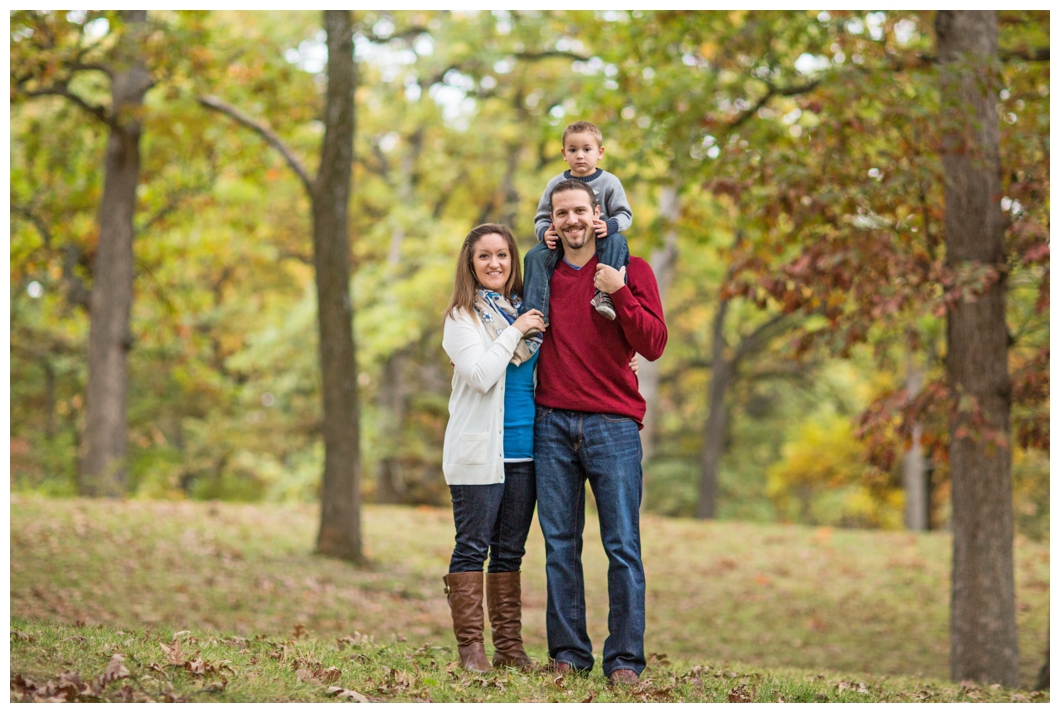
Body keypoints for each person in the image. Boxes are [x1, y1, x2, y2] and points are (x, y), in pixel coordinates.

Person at [531, 179, 667, 686]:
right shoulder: (540, 276)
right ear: (552, 219)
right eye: (560, 212)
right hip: (552, 425)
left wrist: (620, 293)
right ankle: (568, 655)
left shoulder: (633, 270)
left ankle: (625, 662)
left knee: (622, 546)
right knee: (560, 545)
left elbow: (653, 344)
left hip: (614, 426)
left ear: (596, 215)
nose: (570, 220)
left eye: (578, 211)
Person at [440, 223, 546, 672]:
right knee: (472, 548)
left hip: (525, 450)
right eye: (484, 256)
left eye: (502, 255)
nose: (495, 263)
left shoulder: (523, 311)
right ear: (470, 263)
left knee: (510, 553)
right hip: (478, 453)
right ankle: (471, 652)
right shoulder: (461, 318)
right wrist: (514, 331)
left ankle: (509, 649)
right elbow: (481, 376)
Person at [523, 121, 633, 324]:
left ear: (599, 152)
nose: (580, 155)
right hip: (564, 241)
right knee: (534, 255)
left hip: (601, 238)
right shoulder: (555, 184)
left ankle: (605, 296)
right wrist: (544, 233)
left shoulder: (609, 182)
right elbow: (541, 216)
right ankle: (535, 314)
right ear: (564, 154)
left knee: (617, 242)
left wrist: (611, 225)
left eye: (587, 149)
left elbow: (625, 214)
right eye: (573, 150)